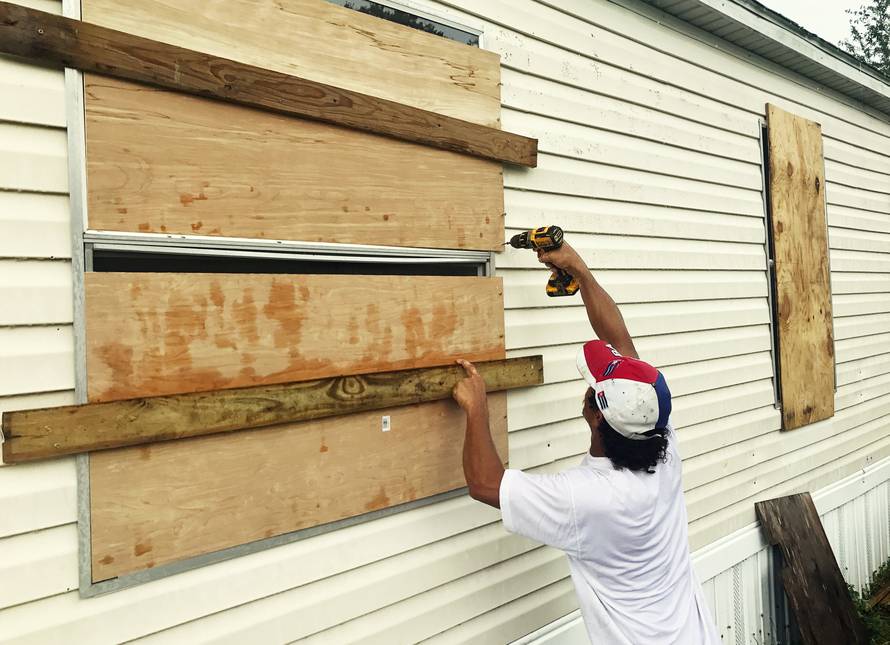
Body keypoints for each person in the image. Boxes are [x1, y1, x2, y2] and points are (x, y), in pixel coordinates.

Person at [452, 239, 719, 644]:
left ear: (595, 416)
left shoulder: (589, 498)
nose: (586, 389)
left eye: (592, 389)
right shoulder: (659, 440)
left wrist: (476, 407)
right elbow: (622, 344)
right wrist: (581, 271)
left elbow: (486, 484)